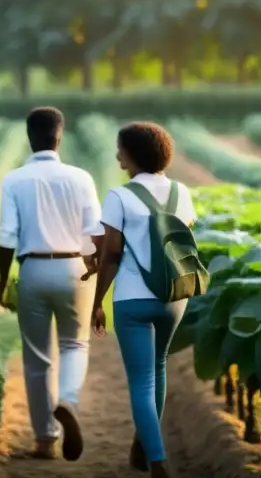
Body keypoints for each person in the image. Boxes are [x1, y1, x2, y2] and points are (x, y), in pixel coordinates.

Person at [89, 122, 198, 478]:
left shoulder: (119, 197)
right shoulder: (182, 192)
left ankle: (157, 459)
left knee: (140, 381)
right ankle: (144, 443)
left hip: (133, 300)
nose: (117, 154)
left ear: (131, 155)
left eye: (120, 148)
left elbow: (111, 253)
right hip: (174, 297)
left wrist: (97, 301)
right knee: (159, 366)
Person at [0, 106, 103, 462]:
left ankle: (45, 438)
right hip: (75, 267)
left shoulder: (14, 180)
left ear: (30, 138)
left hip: (34, 270)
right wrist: (95, 278)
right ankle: (68, 400)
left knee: (37, 358)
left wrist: (2, 280)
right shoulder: (81, 178)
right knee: (75, 344)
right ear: (59, 137)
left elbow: (8, 236)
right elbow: (94, 234)